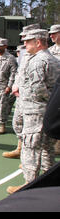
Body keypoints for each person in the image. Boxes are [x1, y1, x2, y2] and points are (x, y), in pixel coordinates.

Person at [7, 29, 60, 194]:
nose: (25, 44)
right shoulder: (52, 58)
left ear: (38, 42)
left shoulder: (38, 61)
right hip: (47, 111)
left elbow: (38, 88)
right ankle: (48, 182)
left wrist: (41, 98)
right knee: (47, 148)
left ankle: (28, 186)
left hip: (35, 110)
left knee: (30, 147)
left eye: (28, 41)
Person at [3, 24, 40, 159]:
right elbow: (20, 71)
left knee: (34, 129)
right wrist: (15, 85)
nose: (23, 40)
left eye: (26, 37)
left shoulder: (45, 55)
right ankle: (21, 148)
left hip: (36, 99)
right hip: (21, 95)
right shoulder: (24, 52)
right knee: (17, 123)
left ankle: (31, 156)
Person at [0, 38, 17, 135]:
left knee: (3, 105)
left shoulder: (10, 58)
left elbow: (13, 73)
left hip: (4, 85)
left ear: (5, 46)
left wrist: (9, 86)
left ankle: (2, 125)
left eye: (1, 46)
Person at [47, 24, 60, 155]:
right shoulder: (50, 51)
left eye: (54, 33)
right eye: (50, 33)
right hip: (53, 89)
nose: (51, 36)